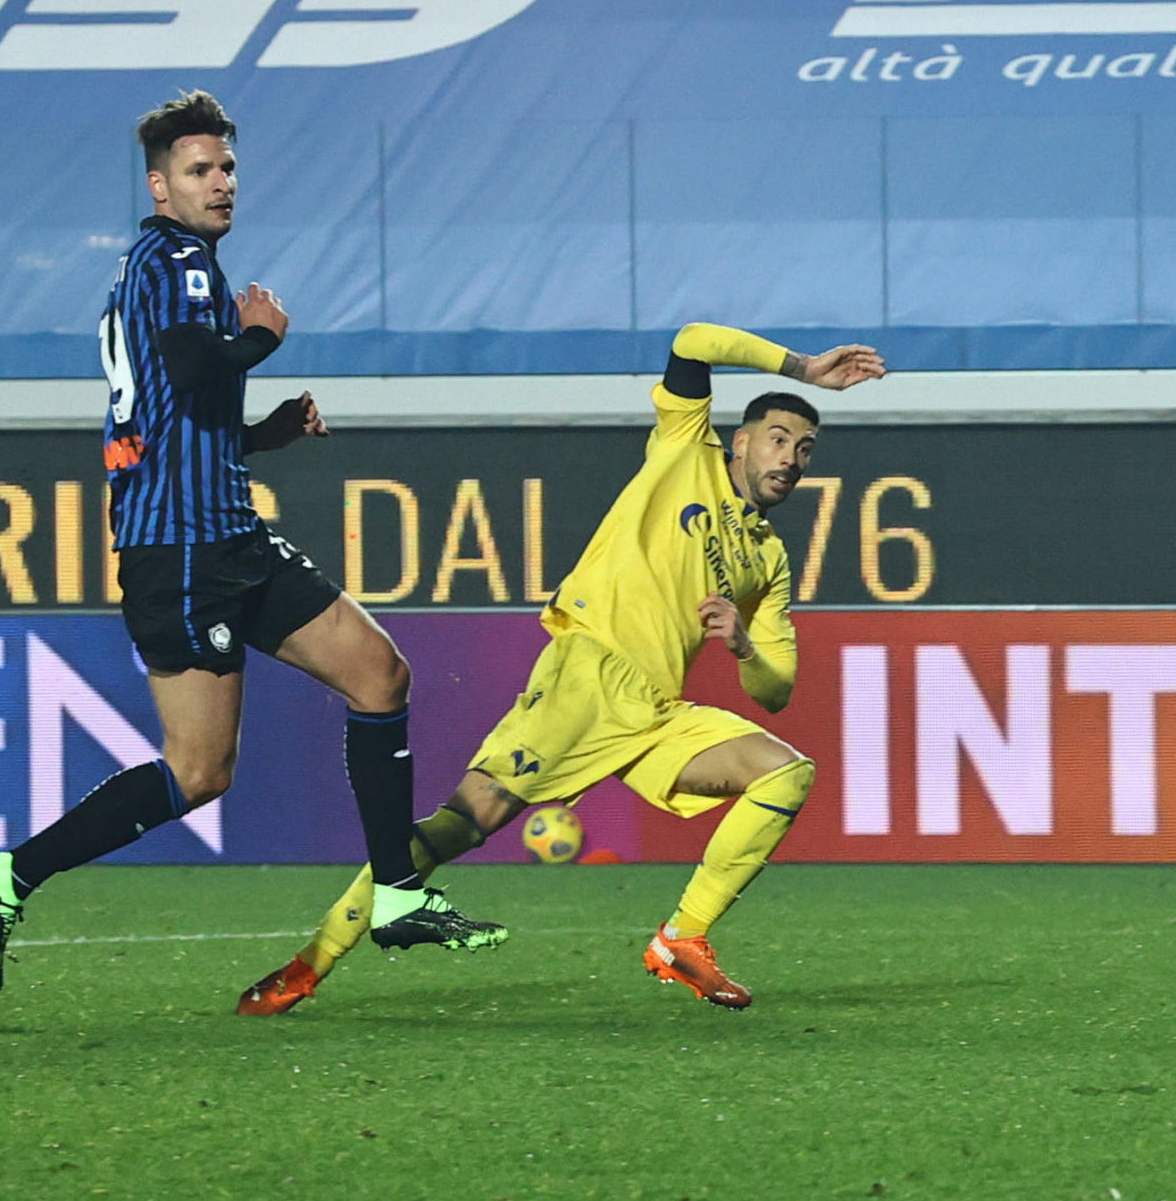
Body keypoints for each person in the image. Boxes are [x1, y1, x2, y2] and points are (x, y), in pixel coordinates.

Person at [0, 90, 498, 995]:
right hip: (184, 552)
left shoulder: (154, 268)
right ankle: (9, 874)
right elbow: (197, 366)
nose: (221, 182)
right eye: (200, 170)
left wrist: (262, 434)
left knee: (381, 674)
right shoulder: (180, 264)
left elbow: (169, 414)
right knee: (201, 770)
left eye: (228, 167)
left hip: (224, 536)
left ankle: (397, 895)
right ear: (160, 187)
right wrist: (260, 339)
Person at [237, 321, 885, 1014]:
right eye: (780, 439)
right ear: (743, 440)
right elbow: (694, 340)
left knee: (786, 772)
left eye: (805, 450)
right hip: (586, 678)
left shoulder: (768, 559)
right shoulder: (685, 450)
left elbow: (777, 689)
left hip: (657, 713)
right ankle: (308, 965)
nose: (791, 458)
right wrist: (803, 368)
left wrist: (744, 648)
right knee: (462, 824)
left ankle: (680, 938)